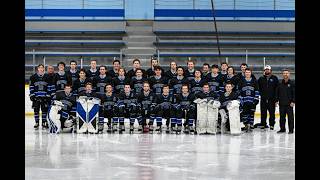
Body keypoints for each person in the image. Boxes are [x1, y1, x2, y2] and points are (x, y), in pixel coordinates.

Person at [255, 65, 279, 130]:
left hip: (272, 99)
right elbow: (258, 88)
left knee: (272, 113)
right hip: (263, 99)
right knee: (263, 112)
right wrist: (261, 95)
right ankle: (263, 124)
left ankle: (272, 125)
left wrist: (276, 99)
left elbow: (277, 89)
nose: (267, 70)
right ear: (264, 71)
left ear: (270, 70)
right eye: (266, 69)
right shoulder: (261, 78)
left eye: (268, 69)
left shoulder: (274, 78)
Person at [29, 64, 51, 129]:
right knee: (36, 110)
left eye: (42, 68)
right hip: (36, 96)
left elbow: (49, 87)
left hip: (44, 97)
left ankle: (44, 122)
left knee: (44, 110)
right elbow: (31, 87)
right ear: (37, 69)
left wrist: (48, 95)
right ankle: (37, 122)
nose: (41, 69)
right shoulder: (33, 77)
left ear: (43, 69)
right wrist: (32, 95)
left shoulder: (47, 76)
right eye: (40, 68)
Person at [238, 68, 259, 132]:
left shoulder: (254, 81)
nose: (247, 73)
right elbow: (239, 91)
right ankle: (246, 125)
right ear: (244, 73)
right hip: (244, 101)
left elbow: (257, 91)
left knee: (251, 113)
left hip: (252, 100)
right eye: (246, 72)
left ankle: (251, 124)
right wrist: (240, 100)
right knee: (244, 113)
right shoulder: (241, 81)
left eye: (249, 72)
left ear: (251, 73)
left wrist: (256, 99)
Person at [276, 69, 295, 134]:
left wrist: (293, 101)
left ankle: (291, 130)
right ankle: (282, 129)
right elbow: (277, 93)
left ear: (289, 74)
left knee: (290, 118)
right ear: (282, 74)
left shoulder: (292, 83)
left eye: (287, 73)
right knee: (282, 118)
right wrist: (276, 100)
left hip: (289, 104)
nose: (285, 74)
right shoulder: (280, 83)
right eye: (284, 73)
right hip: (281, 103)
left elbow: (294, 93)